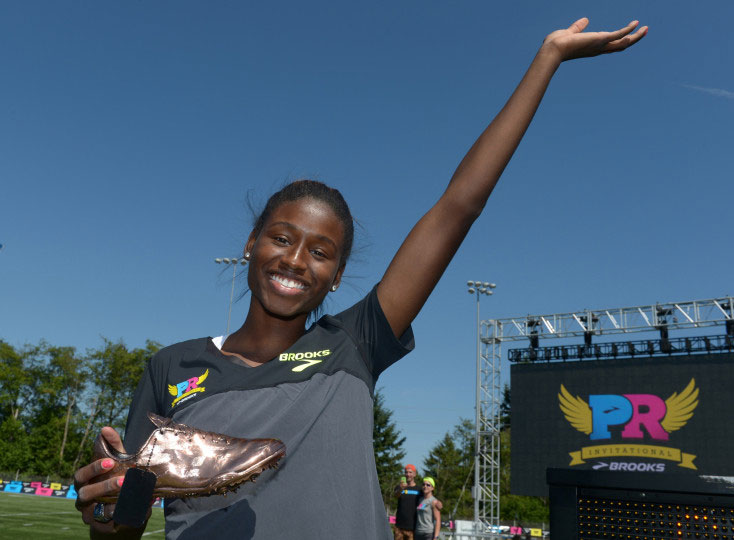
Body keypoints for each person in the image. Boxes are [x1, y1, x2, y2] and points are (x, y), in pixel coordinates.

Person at [73, 17, 647, 540]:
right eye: (280, 238)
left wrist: (546, 58)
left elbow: (458, 207)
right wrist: (103, 515)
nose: (296, 260)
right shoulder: (170, 367)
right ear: (250, 245)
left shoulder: (353, 343)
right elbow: (122, 523)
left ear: (337, 276)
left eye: (320, 252)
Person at [394, 464, 422, 539]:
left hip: (413, 528)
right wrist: (401, 488)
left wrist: (437, 502)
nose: (408, 474)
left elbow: (428, 499)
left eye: (410, 472)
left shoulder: (419, 489)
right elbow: (396, 495)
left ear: (415, 474)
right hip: (399, 527)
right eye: (406, 472)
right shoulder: (399, 487)